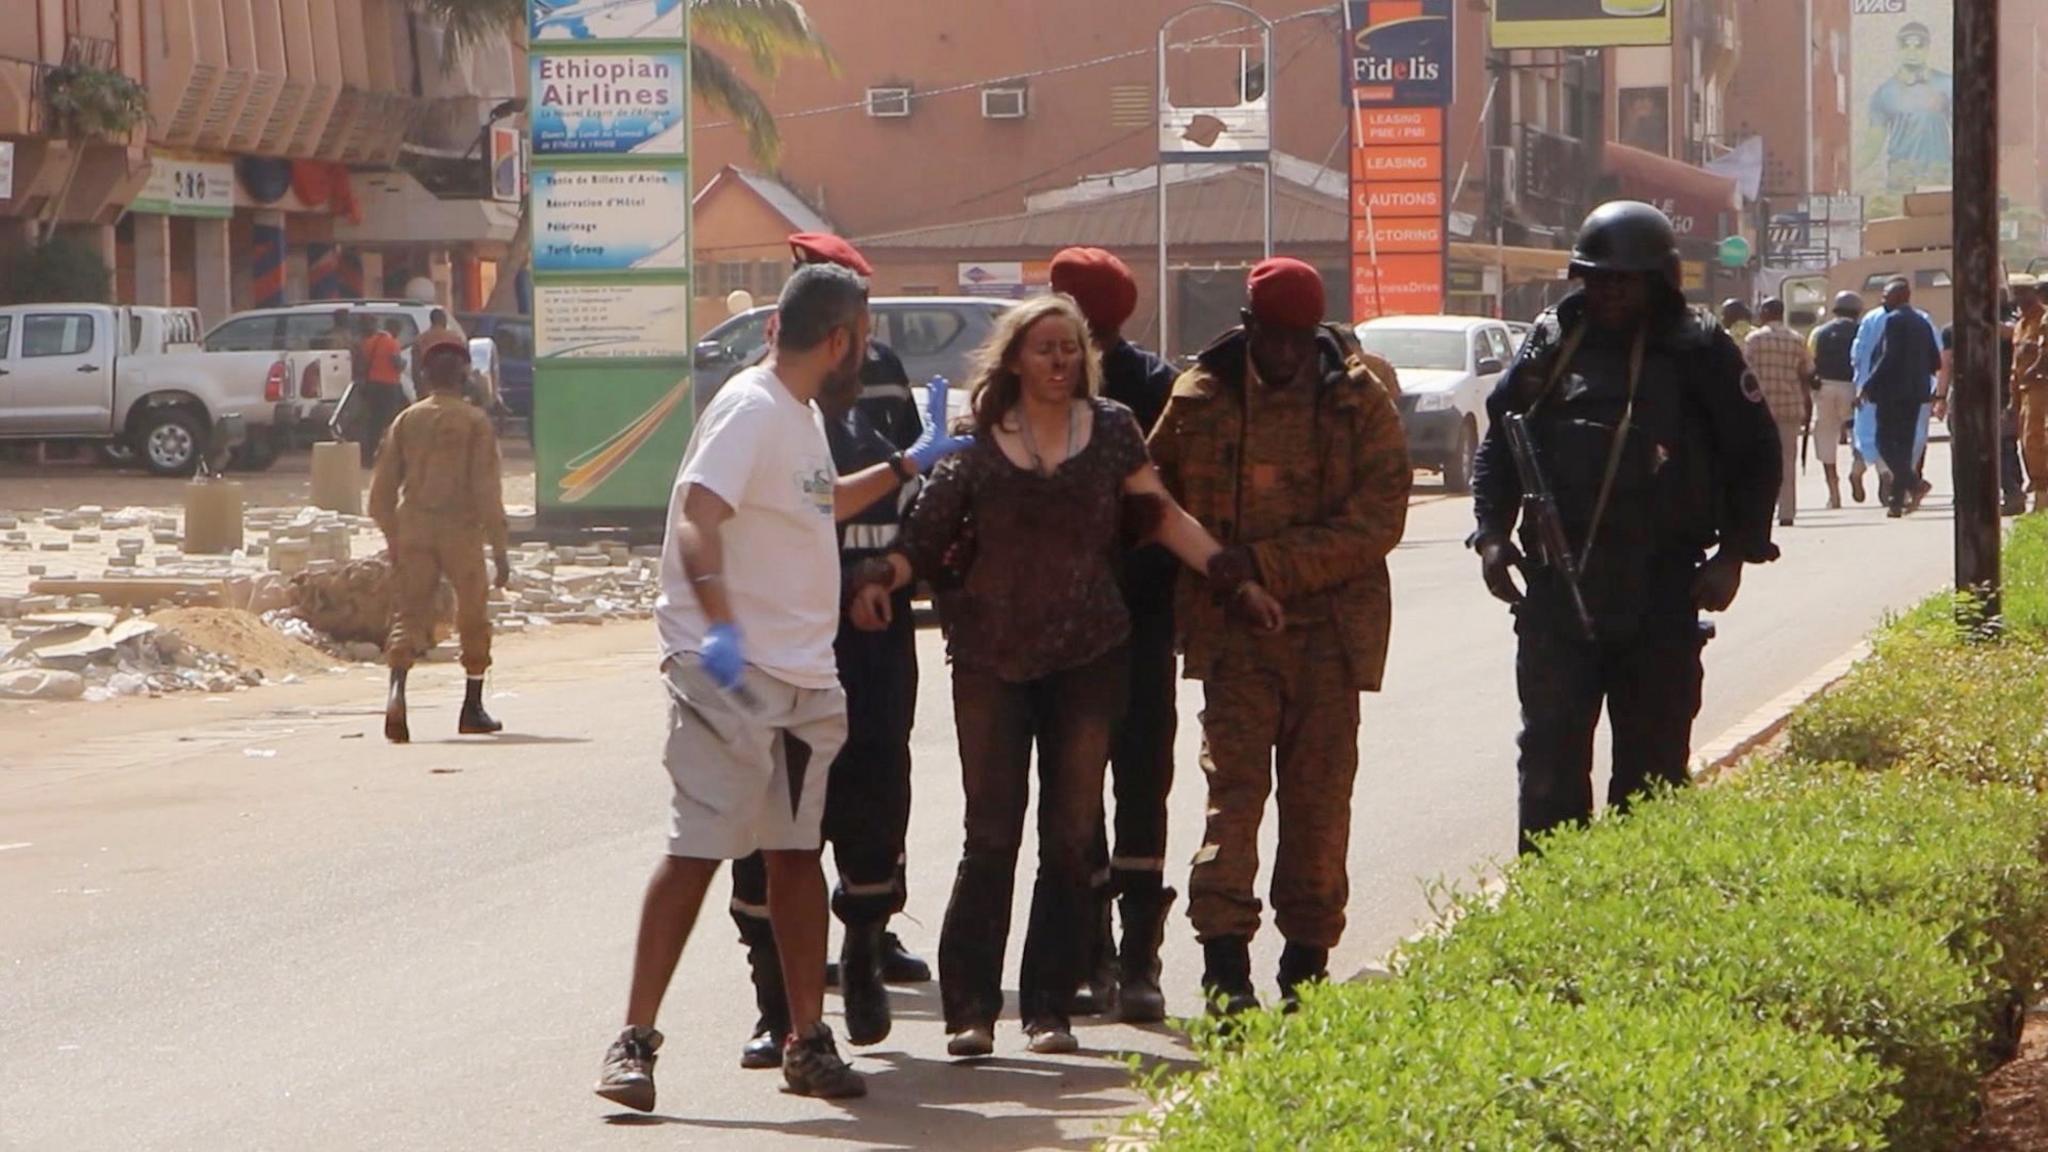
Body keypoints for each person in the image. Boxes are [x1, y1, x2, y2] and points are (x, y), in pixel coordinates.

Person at [593, 264, 966, 1110]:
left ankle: (807, 1040)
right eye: (863, 341)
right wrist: (719, 625)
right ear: (837, 341)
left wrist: (910, 463)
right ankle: (633, 1043)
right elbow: (697, 512)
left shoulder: (799, 416)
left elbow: (819, 504)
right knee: (697, 852)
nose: (865, 357)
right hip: (730, 675)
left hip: (802, 678)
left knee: (796, 857)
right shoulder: (750, 408)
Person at [896, 294, 1283, 1058]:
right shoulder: (976, 445)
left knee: (1072, 836)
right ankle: (970, 1009)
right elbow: (923, 537)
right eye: (1043, 348)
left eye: (1070, 349)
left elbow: (1163, 517)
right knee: (991, 834)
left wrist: (1234, 578)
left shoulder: (1110, 432)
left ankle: (1050, 1007)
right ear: (1013, 359)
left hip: (1088, 656)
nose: (1059, 361)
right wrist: (882, 580)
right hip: (991, 661)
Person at [1471, 200, 1781, 856]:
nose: (1608, 292)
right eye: (1596, 278)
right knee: (1550, 765)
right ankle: (1551, 915)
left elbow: (1756, 452)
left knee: (1652, 772)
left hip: (1661, 585)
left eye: (1624, 280)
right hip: (1560, 583)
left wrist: (1736, 553)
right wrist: (1492, 534)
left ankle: (1639, 908)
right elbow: (1502, 440)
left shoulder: (1698, 350)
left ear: (1659, 281)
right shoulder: (1554, 339)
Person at [1149, 259, 1411, 1016]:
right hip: (1234, 639)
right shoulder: (1200, 398)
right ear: (1250, 325)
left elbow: (1377, 520)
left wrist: (1265, 564)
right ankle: (1225, 967)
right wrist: (1220, 573)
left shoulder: (1358, 403)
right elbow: (1151, 494)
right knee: (1233, 799)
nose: (1288, 355)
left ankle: (1305, 966)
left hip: (1329, 638)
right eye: (1275, 337)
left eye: (1301, 339)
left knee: (1319, 806)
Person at [725, 232, 940, 1073]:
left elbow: (915, 484)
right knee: (770, 820)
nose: (855, 331)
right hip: (781, 630)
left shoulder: (883, 375)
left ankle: (865, 941)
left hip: (872, 626)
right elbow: (739, 511)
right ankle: (773, 1004)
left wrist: (890, 569)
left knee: (874, 786)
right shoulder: (757, 391)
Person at [1042, 246, 1182, 1023]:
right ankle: (1095, 950)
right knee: (1085, 790)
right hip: (1067, 626)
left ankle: (1134, 957)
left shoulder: (1152, 394)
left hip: (1137, 617)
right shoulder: (1033, 385)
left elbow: (1171, 506)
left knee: (1132, 783)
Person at [368, 330, 510, 744]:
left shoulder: (406, 420)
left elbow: (379, 496)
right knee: (472, 614)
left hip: (414, 525)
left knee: (409, 614)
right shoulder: (475, 422)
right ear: (464, 375)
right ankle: (472, 705)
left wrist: (395, 539)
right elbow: (487, 492)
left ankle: (397, 692)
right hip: (460, 531)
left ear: (425, 375)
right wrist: (500, 551)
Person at [1853, 278, 1940, 514]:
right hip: (1915, 395)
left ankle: (1915, 484)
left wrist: (1868, 385)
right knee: (1903, 446)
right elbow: (1936, 360)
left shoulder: (1894, 320)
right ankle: (1896, 502)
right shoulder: (1923, 322)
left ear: (1901, 296)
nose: (1883, 301)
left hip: (1892, 394)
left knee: (1883, 442)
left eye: (1886, 296)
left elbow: (1888, 357)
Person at [1744, 299, 1816, 527]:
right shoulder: (1797, 340)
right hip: (1790, 407)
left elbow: (1744, 373)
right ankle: (1787, 512)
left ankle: (1761, 510)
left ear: (1766, 313)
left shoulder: (1753, 340)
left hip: (1759, 410)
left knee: (1758, 462)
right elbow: (1808, 373)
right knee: (1787, 461)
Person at [1865, 21, 1954, 197]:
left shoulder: (1947, 84)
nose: (1912, 51)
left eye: (1919, 45)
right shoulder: (1885, 92)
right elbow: (1873, 143)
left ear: (1928, 48)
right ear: (1898, 48)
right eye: (1905, 45)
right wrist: (1850, 170)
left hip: (1939, 171)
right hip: (1902, 174)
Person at [1808, 291, 1863, 509]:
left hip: (1826, 388)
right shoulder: (1861, 331)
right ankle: (1858, 466)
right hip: (1852, 388)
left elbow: (1810, 362)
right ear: (1857, 311)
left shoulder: (1819, 332)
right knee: (1856, 432)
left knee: (1826, 437)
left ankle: (1834, 492)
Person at [2012, 274, 2048, 513]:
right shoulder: (2020, 323)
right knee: (2026, 441)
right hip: (2024, 391)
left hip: (2040, 389)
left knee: (2036, 439)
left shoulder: (2043, 319)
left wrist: (2033, 370)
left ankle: (2043, 497)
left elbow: (2043, 355)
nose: (2017, 298)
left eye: (2022, 292)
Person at [358, 318, 409, 465]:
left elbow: (362, 363)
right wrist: (403, 364)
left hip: (371, 385)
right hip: (388, 386)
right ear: (396, 330)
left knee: (373, 421)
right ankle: (386, 455)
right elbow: (397, 364)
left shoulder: (369, 342)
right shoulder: (392, 343)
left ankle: (368, 456)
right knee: (388, 421)